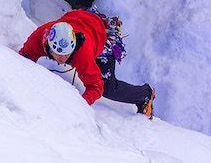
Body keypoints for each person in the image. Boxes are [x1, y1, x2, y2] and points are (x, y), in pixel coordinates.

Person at [19, 8, 155, 118]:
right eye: (59, 55)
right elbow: (23, 58)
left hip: (101, 36)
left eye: (67, 55)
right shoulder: (39, 38)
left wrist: (78, 105)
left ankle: (144, 95)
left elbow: (96, 87)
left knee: (108, 87)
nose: (63, 59)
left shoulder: (81, 53)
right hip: (83, 22)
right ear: (48, 45)